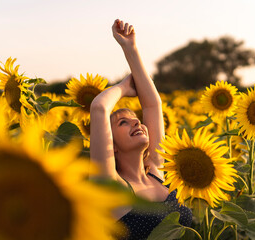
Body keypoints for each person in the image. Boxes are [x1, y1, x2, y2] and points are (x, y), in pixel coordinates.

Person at [90, 19, 192, 240]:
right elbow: (99, 108)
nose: (137, 123)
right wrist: (123, 87)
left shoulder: (157, 172)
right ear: (112, 145)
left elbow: (152, 105)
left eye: (136, 120)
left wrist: (131, 49)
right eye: (123, 123)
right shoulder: (110, 185)